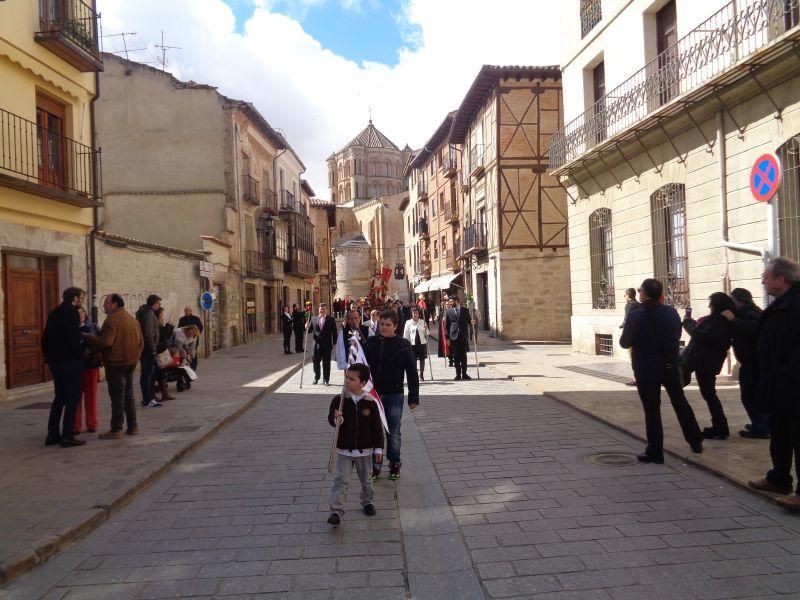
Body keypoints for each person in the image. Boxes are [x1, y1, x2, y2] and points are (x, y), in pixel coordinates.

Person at [619, 278, 703, 463]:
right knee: (680, 404)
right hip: (669, 365)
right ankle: (695, 440)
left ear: (645, 294)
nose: (639, 293)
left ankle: (655, 451)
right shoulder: (672, 312)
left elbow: (625, 342)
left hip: (646, 368)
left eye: (640, 290)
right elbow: (677, 335)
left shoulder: (636, 315)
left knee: (652, 410)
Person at [747, 257, 800, 509]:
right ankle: (779, 478)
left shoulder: (796, 304)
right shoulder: (781, 303)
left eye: (766, 277)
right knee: (779, 433)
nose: (763, 281)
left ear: (781, 279)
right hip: (779, 385)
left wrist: (785, 373)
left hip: (793, 384)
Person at [326, 363, 385, 526]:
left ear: (363, 382)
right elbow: (332, 420)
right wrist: (336, 418)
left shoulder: (370, 402)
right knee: (341, 480)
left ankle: (367, 502)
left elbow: (377, 428)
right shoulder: (339, 400)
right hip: (345, 449)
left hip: (365, 451)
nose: (347, 381)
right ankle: (336, 511)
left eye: (352, 379)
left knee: (367, 480)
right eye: (346, 377)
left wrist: (378, 448)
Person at [364, 310, 419, 481]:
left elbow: (411, 372)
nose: (384, 327)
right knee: (374, 432)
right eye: (382, 324)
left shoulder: (403, 344)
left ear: (395, 326)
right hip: (374, 395)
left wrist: (413, 397)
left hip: (394, 394)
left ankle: (394, 463)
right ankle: (375, 466)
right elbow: (363, 367)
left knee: (393, 432)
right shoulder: (371, 342)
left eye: (388, 325)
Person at [86, 294, 144, 439]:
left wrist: (88, 338)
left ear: (114, 304)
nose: (104, 305)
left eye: (106, 303)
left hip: (116, 363)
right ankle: (133, 426)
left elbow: (106, 342)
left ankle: (116, 428)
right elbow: (141, 342)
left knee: (117, 396)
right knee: (128, 394)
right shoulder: (131, 319)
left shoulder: (112, 320)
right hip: (130, 362)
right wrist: (136, 357)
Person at [682, 292, 735, 440]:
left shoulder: (719, 322)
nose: (709, 306)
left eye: (711, 303)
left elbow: (701, 335)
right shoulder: (718, 320)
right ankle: (719, 426)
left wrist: (687, 322)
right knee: (709, 395)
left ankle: (720, 427)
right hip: (706, 362)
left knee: (710, 395)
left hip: (707, 363)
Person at [42, 287, 86, 448]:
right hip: (70, 362)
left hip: (55, 361)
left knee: (59, 397)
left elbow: (45, 337)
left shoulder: (55, 312)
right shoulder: (71, 313)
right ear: (74, 298)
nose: (82, 301)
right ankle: (67, 435)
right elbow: (74, 339)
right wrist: (81, 353)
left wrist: (48, 355)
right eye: (81, 298)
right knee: (73, 398)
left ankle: (52, 433)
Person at [721, 288, 766, 438]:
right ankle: (759, 424)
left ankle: (761, 427)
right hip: (750, 361)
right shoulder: (746, 313)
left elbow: (752, 329)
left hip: (754, 362)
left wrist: (733, 320)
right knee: (751, 395)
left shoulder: (752, 312)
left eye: (732, 300)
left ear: (739, 301)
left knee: (751, 396)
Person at [74, 307, 101, 436]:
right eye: (77, 313)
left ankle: (92, 424)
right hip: (75, 367)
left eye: (82, 312)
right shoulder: (70, 328)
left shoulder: (93, 327)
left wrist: (92, 352)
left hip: (91, 365)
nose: (80, 315)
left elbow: (100, 343)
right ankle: (76, 426)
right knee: (76, 397)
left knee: (91, 396)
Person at [136, 295, 161, 408]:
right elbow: (148, 332)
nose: (159, 306)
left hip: (144, 348)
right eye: (158, 303)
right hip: (148, 349)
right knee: (148, 375)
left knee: (146, 374)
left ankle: (147, 398)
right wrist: (152, 348)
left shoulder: (143, 312)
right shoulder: (150, 314)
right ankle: (148, 399)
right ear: (154, 303)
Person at [446, 297, 475, 381]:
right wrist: (447, 338)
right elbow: (447, 326)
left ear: (456, 301)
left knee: (464, 356)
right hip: (453, 336)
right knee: (456, 356)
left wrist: (472, 322)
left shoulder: (465, 310)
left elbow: (469, 320)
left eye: (451, 301)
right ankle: (458, 374)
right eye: (449, 302)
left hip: (463, 335)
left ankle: (464, 373)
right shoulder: (449, 312)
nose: (450, 303)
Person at [310, 303, 337, 385]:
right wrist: (306, 326)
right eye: (321, 309)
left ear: (326, 310)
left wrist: (334, 344)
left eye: (324, 309)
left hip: (327, 344)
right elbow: (310, 329)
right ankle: (316, 377)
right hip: (316, 344)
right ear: (318, 310)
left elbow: (334, 332)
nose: (322, 311)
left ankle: (326, 379)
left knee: (326, 362)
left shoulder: (331, 319)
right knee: (315, 361)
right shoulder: (313, 319)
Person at [154, 307, 175, 401]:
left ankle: (165, 394)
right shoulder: (154, 325)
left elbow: (166, 336)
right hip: (156, 352)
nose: (163, 317)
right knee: (154, 375)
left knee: (161, 374)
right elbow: (163, 336)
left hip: (161, 351)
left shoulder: (159, 325)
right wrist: (169, 326)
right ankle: (151, 396)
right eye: (161, 316)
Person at [620, 288, 641, 386]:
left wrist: (623, 326)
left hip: (632, 336)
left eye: (624, 295)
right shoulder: (639, 305)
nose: (624, 297)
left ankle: (636, 379)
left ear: (628, 295)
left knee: (633, 358)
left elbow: (627, 320)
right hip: (640, 335)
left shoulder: (629, 305)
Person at [404, 308, 429, 381]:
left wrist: (426, 328)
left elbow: (427, 333)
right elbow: (406, 334)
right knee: (413, 360)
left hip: (421, 343)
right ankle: (414, 374)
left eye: (416, 313)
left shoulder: (422, 322)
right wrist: (406, 343)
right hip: (412, 344)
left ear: (419, 314)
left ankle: (421, 374)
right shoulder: (408, 322)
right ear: (411, 314)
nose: (415, 314)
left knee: (422, 359)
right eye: (413, 313)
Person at [438, 298, 453, 367]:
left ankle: (454, 359)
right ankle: (450, 360)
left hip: (452, 331)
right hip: (445, 332)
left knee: (452, 346)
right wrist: (442, 320)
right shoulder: (443, 312)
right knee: (447, 346)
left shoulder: (453, 311)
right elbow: (440, 321)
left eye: (448, 304)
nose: (447, 306)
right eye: (446, 304)